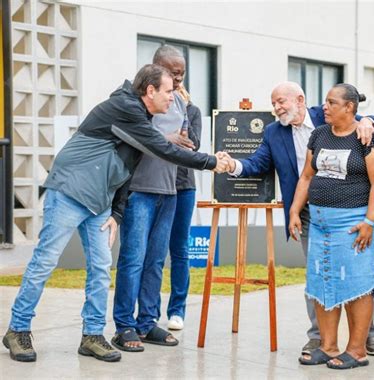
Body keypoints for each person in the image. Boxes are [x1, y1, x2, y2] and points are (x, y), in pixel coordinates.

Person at [2, 64, 227, 363]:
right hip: (69, 192)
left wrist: (117, 214)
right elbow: (165, 149)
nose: (173, 98)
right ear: (150, 90)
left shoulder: (141, 118)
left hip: (99, 202)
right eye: (168, 91)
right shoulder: (125, 107)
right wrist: (211, 162)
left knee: (100, 267)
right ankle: (18, 329)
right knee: (45, 261)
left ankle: (93, 335)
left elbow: (125, 170)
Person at [222, 81, 374, 357]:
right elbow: (259, 164)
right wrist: (231, 165)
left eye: (280, 102)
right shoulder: (274, 132)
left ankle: (366, 336)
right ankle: (320, 338)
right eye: (273, 103)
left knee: (356, 275)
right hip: (311, 215)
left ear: (299, 100)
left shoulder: (326, 115)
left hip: (350, 214)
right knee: (319, 275)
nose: (276, 109)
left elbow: (362, 119)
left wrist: (369, 120)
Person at [289, 83, 374, 369]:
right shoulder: (319, 135)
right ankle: (327, 346)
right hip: (319, 224)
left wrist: (369, 221)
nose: (325, 107)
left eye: (332, 103)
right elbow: (307, 176)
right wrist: (295, 209)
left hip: (354, 223)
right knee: (321, 282)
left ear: (350, 107)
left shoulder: (367, 137)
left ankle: (356, 350)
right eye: (326, 102)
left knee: (358, 284)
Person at [112, 46, 198, 351]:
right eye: (171, 72)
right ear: (154, 69)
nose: (177, 79)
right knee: (132, 260)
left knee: (155, 262)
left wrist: (186, 147)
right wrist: (168, 141)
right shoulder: (134, 103)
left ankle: (148, 323)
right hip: (139, 191)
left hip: (169, 191)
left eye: (180, 73)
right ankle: (124, 326)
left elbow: (184, 142)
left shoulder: (180, 104)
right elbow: (135, 138)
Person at [167, 85, 202, 331]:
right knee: (152, 251)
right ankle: (147, 312)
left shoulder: (193, 110)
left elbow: (193, 144)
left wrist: (184, 112)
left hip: (183, 186)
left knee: (179, 249)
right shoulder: (155, 111)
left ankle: (177, 310)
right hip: (156, 185)